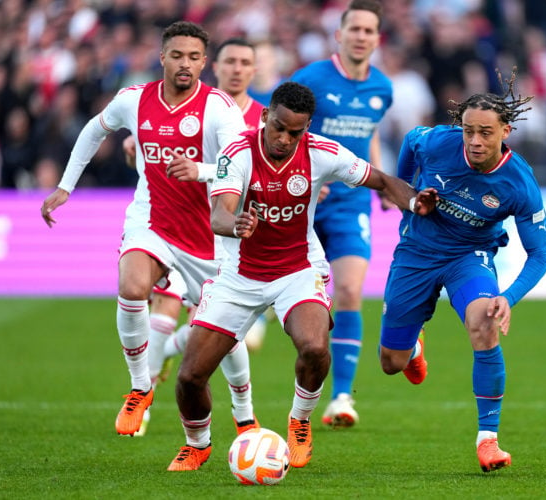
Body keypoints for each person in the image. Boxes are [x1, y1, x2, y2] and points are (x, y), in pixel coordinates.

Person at [166, 81, 437, 471]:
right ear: (264, 117)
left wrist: (412, 200)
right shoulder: (237, 152)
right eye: (279, 127)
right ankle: (198, 443)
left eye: (296, 131)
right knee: (191, 376)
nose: (285, 138)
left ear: (307, 128)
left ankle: (300, 421)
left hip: (298, 268)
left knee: (314, 347)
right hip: (239, 275)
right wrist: (236, 222)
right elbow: (219, 214)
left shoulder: (321, 152)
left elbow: (379, 179)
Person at [41, 21, 255, 438]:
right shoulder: (133, 100)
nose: (185, 64)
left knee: (225, 335)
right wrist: (66, 187)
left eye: (194, 57)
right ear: (162, 58)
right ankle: (140, 387)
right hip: (151, 221)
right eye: (177, 55)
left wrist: (202, 170)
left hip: (208, 235)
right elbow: (92, 130)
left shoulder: (218, 108)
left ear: (204, 62)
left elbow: (240, 162)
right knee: (132, 286)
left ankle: (244, 412)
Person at [378, 69, 546, 473]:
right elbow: (409, 141)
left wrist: (506, 299)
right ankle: (414, 346)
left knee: (483, 320)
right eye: (469, 131)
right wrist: (407, 196)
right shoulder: (438, 142)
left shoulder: (519, 184)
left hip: (468, 257)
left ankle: (488, 440)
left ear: (506, 131)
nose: (475, 141)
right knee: (391, 363)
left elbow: (539, 256)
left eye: (486, 133)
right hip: (417, 253)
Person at [120, 39, 269, 435]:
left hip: (222, 237)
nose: (237, 69)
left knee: (219, 334)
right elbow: (151, 139)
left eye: (246, 63)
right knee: (162, 311)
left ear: (254, 70)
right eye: (230, 62)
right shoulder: (194, 105)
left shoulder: (262, 120)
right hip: (170, 227)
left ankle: (232, 406)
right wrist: (141, 143)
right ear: (214, 65)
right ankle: (143, 399)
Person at [289, 0, 393, 429]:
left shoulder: (382, 88)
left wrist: (381, 182)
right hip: (301, 201)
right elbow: (280, 127)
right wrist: (303, 172)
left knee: (349, 290)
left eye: (369, 31)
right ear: (339, 33)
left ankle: (342, 397)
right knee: (284, 290)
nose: (361, 36)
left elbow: (368, 137)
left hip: (351, 203)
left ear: (377, 38)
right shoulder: (311, 79)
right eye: (355, 29)